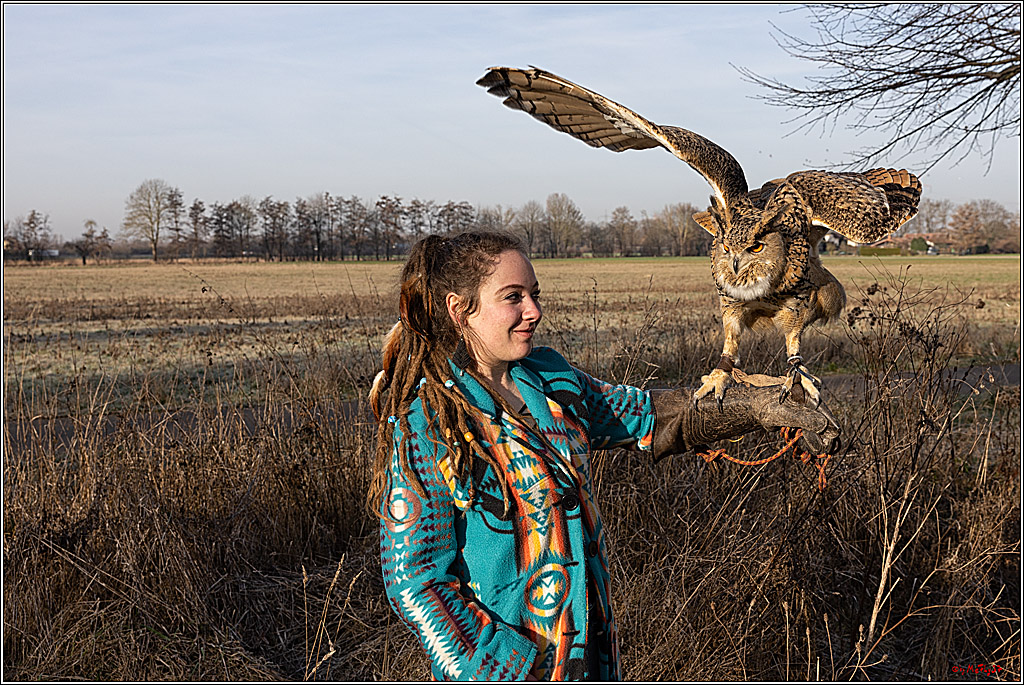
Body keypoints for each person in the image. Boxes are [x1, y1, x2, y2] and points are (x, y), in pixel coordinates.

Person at [368, 231, 839, 681]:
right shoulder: (431, 421)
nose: (532, 311)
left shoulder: (552, 380)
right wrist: (496, 664)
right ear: (460, 309)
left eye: (535, 293)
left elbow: (651, 417)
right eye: (513, 297)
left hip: (589, 654)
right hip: (509, 668)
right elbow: (414, 578)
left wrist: (759, 409)